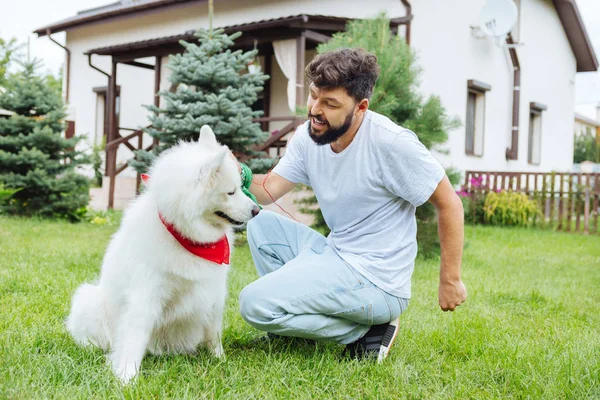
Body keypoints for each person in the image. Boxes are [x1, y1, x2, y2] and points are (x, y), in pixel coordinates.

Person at [237, 48, 466, 362]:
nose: (316, 110)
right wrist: (232, 176)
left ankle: (368, 332)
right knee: (259, 222)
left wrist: (450, 280)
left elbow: (449, 203)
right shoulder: (309, 136)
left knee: (253, 304)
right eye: (314, 96)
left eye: (330, 104)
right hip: (337, 253)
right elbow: (268, 188)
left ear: (361, 107)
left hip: (377, 280)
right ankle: (293, 326)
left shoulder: (390, 143)